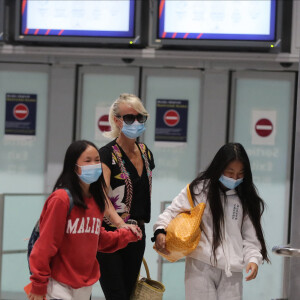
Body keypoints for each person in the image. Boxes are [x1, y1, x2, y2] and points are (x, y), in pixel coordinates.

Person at [152, 142, 270, 300]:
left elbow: (251, 237)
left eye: (240, 173)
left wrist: (253, 259)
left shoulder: (246, 198)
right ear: (219, 168)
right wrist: (160, 230)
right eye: (230, 172)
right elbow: (171, 212)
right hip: (200, 266)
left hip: (232, 272)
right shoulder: (199, 190)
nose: (235, 178)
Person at [27, 140, 142, 300]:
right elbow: (46, 245)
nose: (94, 165)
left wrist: (126, 235)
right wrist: (39, 283)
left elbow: (97, 239)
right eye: (87, 161)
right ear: (74, 166)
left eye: (97, 160)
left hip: (84, 286)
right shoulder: (61, 199)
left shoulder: (96, 201)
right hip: (58, 284)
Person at [96, 93, 155, 300]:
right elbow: (101, 197)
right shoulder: (106, 154)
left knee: (129, 293)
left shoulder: (146, 152)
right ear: (116, 120)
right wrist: (121, 225)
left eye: (140, 118)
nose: (136, 123)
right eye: (129, 118)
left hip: (137, 233)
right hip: (110, 233)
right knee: (116, 294)